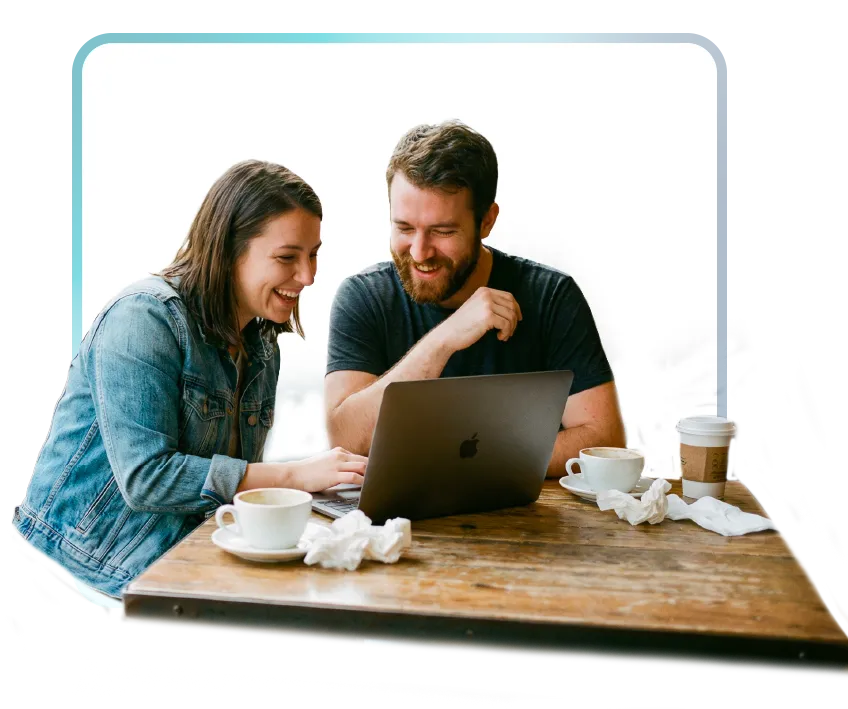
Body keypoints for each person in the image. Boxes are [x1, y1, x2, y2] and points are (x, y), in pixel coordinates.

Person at [11, 160, 367, 605]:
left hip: (186, 557)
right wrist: (296, 475)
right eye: (287, 257)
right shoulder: (142, 319)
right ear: (230, 249)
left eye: (313, 253)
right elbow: (147, 479)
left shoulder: (261, 342)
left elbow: (226, 487)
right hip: (89, 572)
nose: (309, 276)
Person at [325, 120, 625, 476]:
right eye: (404, 228)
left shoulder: (551, 298)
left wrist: (460, 461)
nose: (419, 252)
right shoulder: (364, 297)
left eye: (442, 231)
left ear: (486, 221)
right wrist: (443, 340)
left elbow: (603, 442)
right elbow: (346, 441)